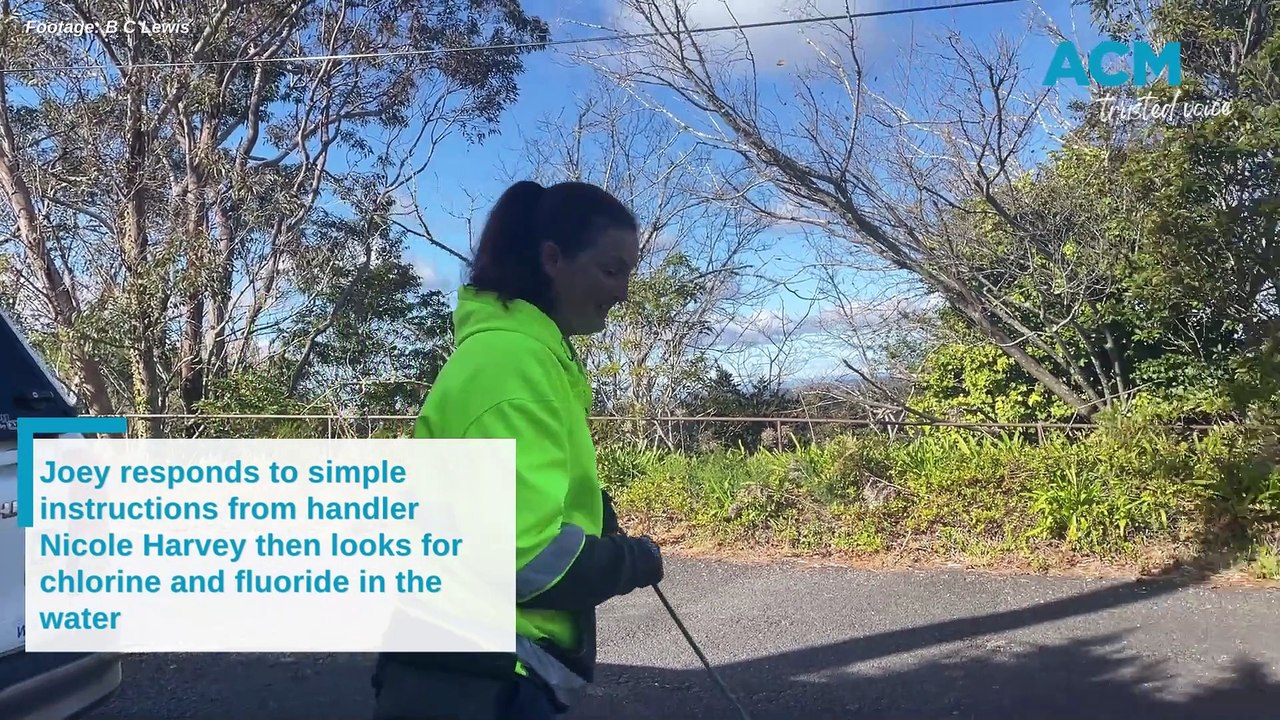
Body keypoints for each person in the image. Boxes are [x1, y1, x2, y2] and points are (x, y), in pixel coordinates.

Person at [371, 180, 666, 720]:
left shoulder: (528, 356)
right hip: (475, 681)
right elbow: (524, 561)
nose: (624, 291)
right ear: (552, 258)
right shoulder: (513, 363)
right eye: (611, 269)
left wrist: (588, 519)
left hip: (478, 670)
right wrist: (631, 560)